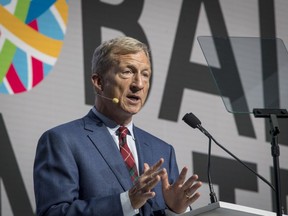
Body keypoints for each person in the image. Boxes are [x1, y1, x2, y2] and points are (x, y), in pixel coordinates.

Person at [33, 36, 202, 216]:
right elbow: (53, 213)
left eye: (145, 74)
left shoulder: (162, 150)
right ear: (99, 82)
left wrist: (176, 210)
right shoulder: (63, 141)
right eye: (127, 72)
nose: (138, 84)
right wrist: (127, 202)